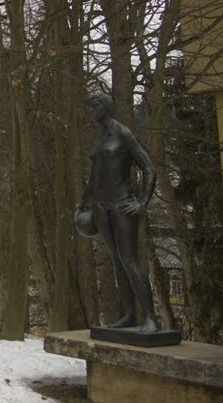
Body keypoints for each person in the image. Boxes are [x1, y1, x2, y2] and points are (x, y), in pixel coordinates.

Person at [74, 92, 160, 332]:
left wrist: (142, 203)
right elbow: (95, 175)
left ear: (105, 108)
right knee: (116, 262)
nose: (91, 112)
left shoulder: (123, 134)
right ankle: (130, 315)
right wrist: (82, 203)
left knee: (129, 260)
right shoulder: (100, 137)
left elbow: (149, 169)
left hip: (122, 204)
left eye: (94, 107)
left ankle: (151, 318)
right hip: (101, 206)